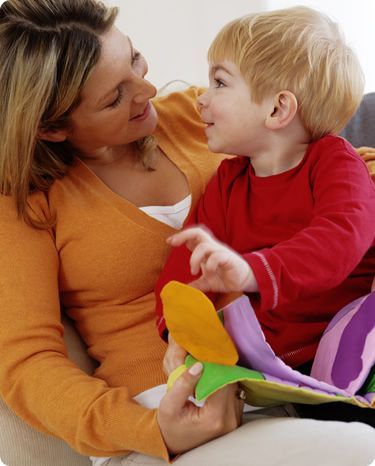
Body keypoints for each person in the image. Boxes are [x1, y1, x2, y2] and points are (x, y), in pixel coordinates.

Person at [0, 2, 374, 466]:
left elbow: (322, 164)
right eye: (115, 96)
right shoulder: (26, 200)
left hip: (288, 376)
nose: (149, 90)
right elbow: (26, 362)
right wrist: (152, 426)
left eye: (135, 60)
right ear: (51, 128)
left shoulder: (198, 120)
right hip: (167, 410)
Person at [155, 7, 375, 376]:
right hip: (279, 358)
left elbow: (339, 240)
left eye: (220, 83)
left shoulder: (335, 162)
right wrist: (180, 328)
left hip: (355, 343)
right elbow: (186, 265)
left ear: (277, 109)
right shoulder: (228, 181)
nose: (201, 99)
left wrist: (252, 271)